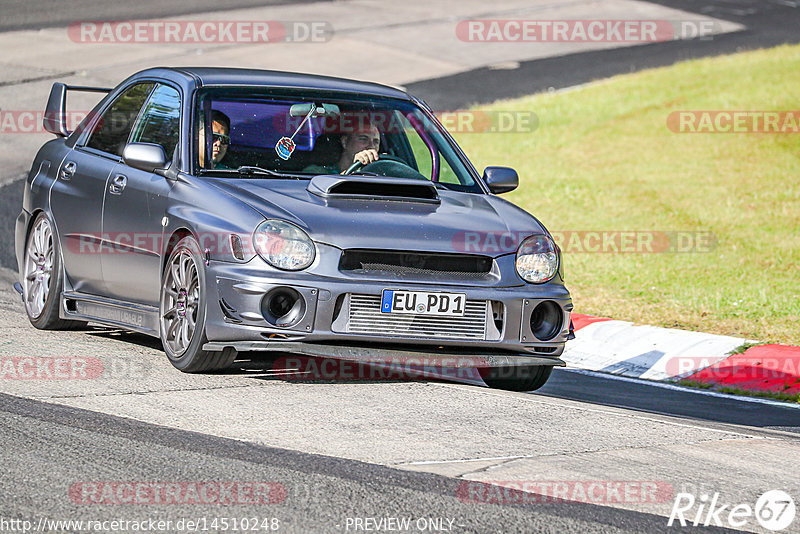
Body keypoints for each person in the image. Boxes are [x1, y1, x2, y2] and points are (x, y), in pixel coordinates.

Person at [304, 120, 381, 175]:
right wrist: (353, 171)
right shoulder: (317, 172)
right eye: (363, 139)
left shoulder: (380, 175)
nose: (371, 146)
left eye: (376, 142)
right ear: (345, 142)